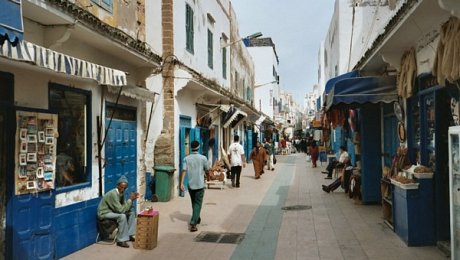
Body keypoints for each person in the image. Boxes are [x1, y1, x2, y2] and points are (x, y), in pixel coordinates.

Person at [97, 175, 139, 248]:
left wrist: (131, 202)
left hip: (112, 211)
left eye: (124, 187)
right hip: (104, 213)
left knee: (131, 213)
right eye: (121, 187)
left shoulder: (121, 193)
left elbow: (124, 206)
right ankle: (121, 240)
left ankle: (129, 235)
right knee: (122, 216)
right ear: (117, 185)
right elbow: (120, 210)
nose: (123, 189)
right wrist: (130, 200)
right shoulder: (113, 194)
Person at [180, 140, 209, 232]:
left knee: (194, 202)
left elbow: (184, 171)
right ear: (199, 147)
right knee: (198, 203)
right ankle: (193, 223)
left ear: (191, 148)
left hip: (191, 185)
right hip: (200, 184)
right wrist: (208, 177)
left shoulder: (186, 159)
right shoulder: (203, 158)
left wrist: (181, 183)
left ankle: (197, 217)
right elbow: (207, 169)